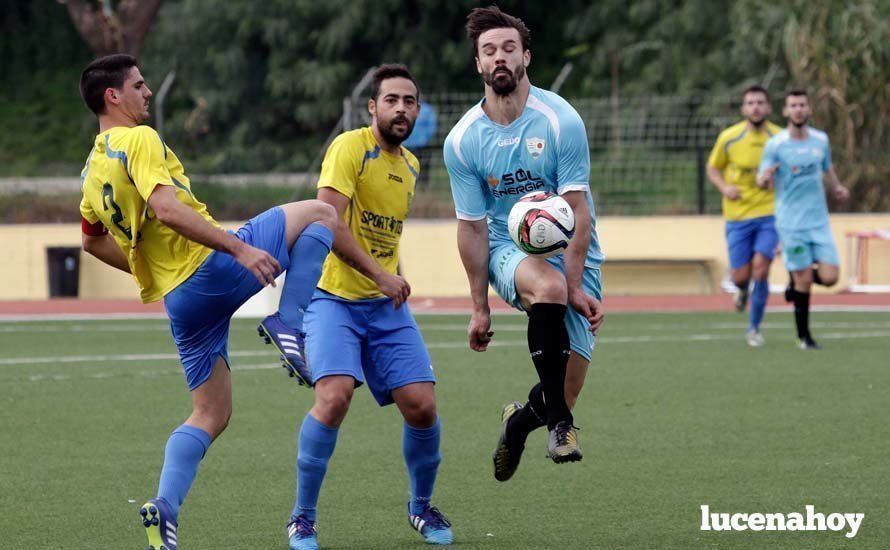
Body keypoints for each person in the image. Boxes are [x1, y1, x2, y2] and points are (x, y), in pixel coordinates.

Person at [77, 54, 337, 550]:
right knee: (321, 213)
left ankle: (165, 507)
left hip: (180, 301)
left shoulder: (91, 170)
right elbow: (168, 208)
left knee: (210, 414)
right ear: (113, 96)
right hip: (210, 268)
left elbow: (91, 241)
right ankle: (289, 321)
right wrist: (239, 247)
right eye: (138, 84)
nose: (148, 92)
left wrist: (146, 270)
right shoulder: (139, 138)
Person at [285, 64, 452, 550]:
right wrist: (380, 275)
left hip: (384, 307)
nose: (402, 108)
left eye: (410, 101)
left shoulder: (411, 166)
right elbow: (326, 220)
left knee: (422, 407)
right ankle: (302, 518)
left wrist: (392, 276)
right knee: (334, 397)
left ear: (418, 112)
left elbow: (383, 236)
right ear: (372, 107)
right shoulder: (350, 148)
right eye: (392, 100)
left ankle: (420, 508)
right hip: (332, 299)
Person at [444, 6, 605, 482]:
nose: (499, 57)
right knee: (550, 290)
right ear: (478, 63)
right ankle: (561, 427)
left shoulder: (560, 120)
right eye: (489, 50)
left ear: (526, 57)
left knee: (566, 386)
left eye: (508, 49)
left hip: (573, 244)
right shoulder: (463, 141)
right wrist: (479, 307)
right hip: (505, 246)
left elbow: (578, 212)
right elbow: (472, 228)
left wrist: (576, 283)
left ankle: (519, 423)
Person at [757, 89, 849, 349]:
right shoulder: (776, 144)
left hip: (818, 220)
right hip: (791, 223)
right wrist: (764, 180)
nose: (798, 109)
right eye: (793, 106)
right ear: (785, 111)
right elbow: (762, 178)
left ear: (808, 110)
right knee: (805, 280)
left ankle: (794, 281)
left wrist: (837, 187)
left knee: (830, 277)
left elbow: (827, 168)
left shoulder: (820, 140)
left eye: (802, 105)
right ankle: (804, 337)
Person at [707, 85, 782, 346]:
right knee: (741, 276)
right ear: (743, 108)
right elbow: (713, 168)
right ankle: (740, 290)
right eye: (750, 103)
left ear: (769, 107)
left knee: (761, 269)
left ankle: (754, 328)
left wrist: (778, 181)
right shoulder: (730, 138)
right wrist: (725, 187)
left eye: (760, 102)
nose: (756, 107)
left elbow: (792, 171)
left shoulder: (780, 138)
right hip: (738, 216)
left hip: (770, 214)